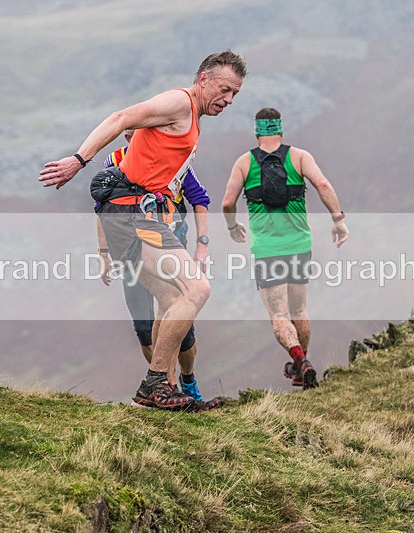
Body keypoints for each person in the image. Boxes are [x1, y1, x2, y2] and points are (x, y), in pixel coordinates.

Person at [39, 50, 246, 410]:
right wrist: (78, 160)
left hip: (134, 215)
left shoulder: (191, 117)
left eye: (235, 95)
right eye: (225, 89)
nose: (228, 100)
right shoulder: (179, 103)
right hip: (130, 214)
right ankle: (154, 385)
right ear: (203, 80)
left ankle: (163, 392)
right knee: (197, 289)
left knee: (170, 300)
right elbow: (121, 118)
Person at [221, 107, 349, 390]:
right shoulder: (299, 157)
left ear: (257, 133)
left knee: (279, 316)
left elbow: (227, 203)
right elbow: (322, 184)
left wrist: (232, 227)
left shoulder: (244, 163)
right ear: (280, 130)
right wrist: (338, 220)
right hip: (299, 244)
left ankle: (299, 360)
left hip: (267, 249)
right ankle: (302, 366)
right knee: (300, 310)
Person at [95, 129, 211, 401]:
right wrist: (103, 252)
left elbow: (200, 199)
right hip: (131, 244)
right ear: (127, 139)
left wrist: (202, 245)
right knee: (144, 328)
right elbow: (102, 207)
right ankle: (163, 387)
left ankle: (186, 380)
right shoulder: (115, 162)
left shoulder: (172, 161)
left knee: (181, 324)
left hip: (170, 244)